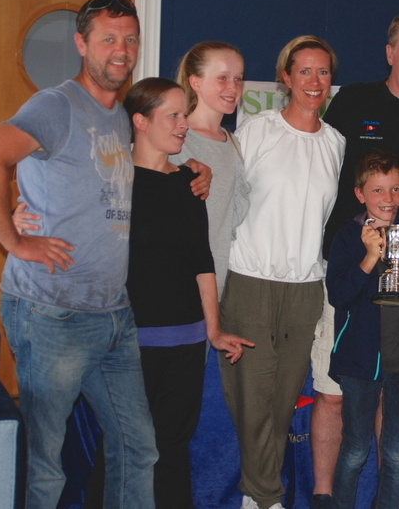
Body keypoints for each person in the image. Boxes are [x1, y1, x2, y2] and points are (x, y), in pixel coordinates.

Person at [0, 0, 205, 508]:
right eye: (108, 39)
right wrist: (15, 238)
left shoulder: (119, 116)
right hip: (52, 312)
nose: (121, 50)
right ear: (81, 44)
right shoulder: (55, 105)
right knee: (47, 464)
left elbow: (139, 165)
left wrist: (193, 168)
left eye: (130, 40)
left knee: (138, 448)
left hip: (113, 313)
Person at [311, 6, 399, 508]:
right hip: (353, 270)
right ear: (390, 52)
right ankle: (326, 497)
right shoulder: (354, 100)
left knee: (392, 399)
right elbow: (316, 166)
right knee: (333, 393)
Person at [219, 35, 345, 509]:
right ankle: (267, 496)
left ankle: (256, 496)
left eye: (323, 72)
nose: (314, 81)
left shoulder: (335, 144)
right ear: (285, 78)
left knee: (282, 400)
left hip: (306, 288)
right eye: (304, 71)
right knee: (251, 399)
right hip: (250, 281)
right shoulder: (255, 130)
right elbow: (225, 200)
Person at [123, 77, 253, 508]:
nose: (184, 124)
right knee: (127, 449)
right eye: (174, 115)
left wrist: (213, 330)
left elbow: (202, 261)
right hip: (128, 343)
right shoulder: (113, 180)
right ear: (141, 121)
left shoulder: (190, 182)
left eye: (185, 114)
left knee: (172, 448)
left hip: (186, 342)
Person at [326, 150, 399, 509]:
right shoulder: (348, 236)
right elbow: (339, 296)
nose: (387, 198)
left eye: (395, 189)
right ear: (360, 194)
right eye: (377, 190)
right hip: (360, 361)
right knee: (355, 449)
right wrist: (369, 256)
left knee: (395, 454)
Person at [172, 41, 250, 298]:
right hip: (172, 280)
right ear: (195, 82)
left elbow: (232, 216)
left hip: (215, 283)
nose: (233, 87)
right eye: (222, 78)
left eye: (238, 78)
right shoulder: (173, 137)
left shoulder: (233, 143)